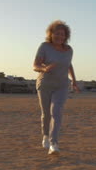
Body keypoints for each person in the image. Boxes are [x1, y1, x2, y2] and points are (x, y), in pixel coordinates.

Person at [33, 20, 79, 155]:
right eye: (56, 34)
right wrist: (44, 68)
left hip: (62, 85)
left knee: (57, 112)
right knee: (46, 114)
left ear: (66, 36)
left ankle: (54, 143)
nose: (59, 36)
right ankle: (45, 136)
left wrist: (74, 81)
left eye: (62, 34)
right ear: (51, 34)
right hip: (45, 84)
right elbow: (35, 65)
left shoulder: (69, 50)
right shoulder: (44, 46)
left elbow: (69, 65)